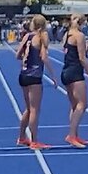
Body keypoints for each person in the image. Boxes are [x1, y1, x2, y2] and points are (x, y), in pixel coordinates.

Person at [15, 14, 52, 149]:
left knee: (28, 109)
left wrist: (27, 58)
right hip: (35, 76)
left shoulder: (27, 36)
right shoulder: (41, 37)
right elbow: (44, 57)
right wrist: (53, 76)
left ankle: (21, 137)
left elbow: (18, 55)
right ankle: (34, 140)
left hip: (23, 75)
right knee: (35, 109)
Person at [59, 13, 88, 148]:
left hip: (66, 71)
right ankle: (71, 135)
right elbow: (82, 58)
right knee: (82, 105)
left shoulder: (67, 35)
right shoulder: (79, 36)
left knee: (74, 106)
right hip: (75, 72)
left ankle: (75, 135)